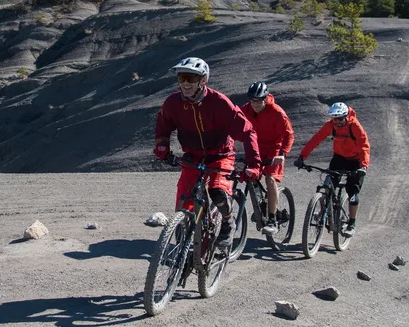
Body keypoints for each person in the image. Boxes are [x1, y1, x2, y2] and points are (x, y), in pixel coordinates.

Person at [154, 57, 261, 249]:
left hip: (221, 154)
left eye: (190, 78)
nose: (185, 83)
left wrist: (254, 165)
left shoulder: (219, 102)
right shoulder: (172, 103)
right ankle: (184, 242)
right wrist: (163, 148)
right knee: (184, 200)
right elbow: (163, 126)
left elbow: (247, 132)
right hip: (192, 156)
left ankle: (228, 221)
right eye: (181, 78)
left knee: (218, 192)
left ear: (203, 80)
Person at [294, 102, 370, 237]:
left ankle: (351, 223)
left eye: (340, 118)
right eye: (334, 118)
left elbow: (364, 145)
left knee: (352, 192)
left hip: (356, 161)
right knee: (327, 185)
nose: (337, 122)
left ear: (346, 116)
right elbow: (316, 139)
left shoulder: (355, 126)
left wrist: (363, 166)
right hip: (339, 158)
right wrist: (302, 156)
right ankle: (324, 209)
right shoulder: (331, 125)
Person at [240, 81, 294, 236]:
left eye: (259, 100)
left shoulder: (277, 112)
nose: (255, 104)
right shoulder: (246, 109)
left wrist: (282, 154)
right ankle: (261, 206)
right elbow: (233, 123)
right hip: (256, 147)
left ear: (265, 98)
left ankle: (272, 219)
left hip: (274, 149)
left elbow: (289, 135)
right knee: (249, 175)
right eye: (252, 100)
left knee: (270, 179)